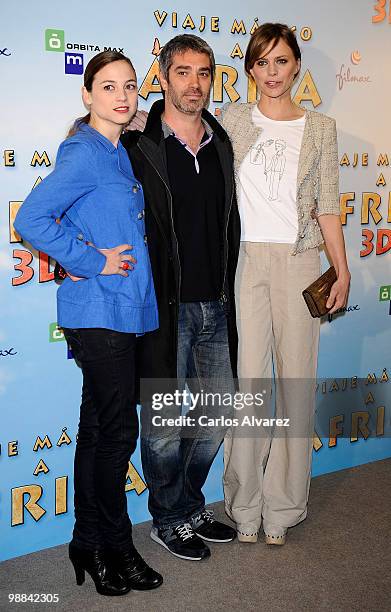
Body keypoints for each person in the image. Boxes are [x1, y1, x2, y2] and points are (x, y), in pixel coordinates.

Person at [14, 51, 163, 595]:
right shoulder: (83, 152)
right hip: (99, 312)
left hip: (121, 309)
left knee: (99, 428)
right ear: (87, 94)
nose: (122, 96)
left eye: (129, 87)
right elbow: (30, 218)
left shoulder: (119, 151)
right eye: (107, 87)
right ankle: (115, 545)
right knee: (118, 432)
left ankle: (88, 538)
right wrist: (89, 258)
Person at [220, 23, 351, 545]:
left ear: (297, 66)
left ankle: (284, 507)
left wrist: (340, 269)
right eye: (261, 62)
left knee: (295, 387)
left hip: (301, 263)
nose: (271, 73)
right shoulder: (231, 119)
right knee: (251, 385)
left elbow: (327, 203)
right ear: (250, 69)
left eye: (281, 61)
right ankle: (244, 506)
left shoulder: (320, 128)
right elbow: (181, 133)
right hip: (248, 263)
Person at [121, 34, 241, 561]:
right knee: (166, 428)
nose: (195, 83)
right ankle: (167, 518)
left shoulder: (223, 141)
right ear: (163, 79)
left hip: (217, 303)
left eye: (204, 72)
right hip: (165, 308)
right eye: (184, 72)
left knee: (214, 419)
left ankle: (190, 506)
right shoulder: (138, 144)